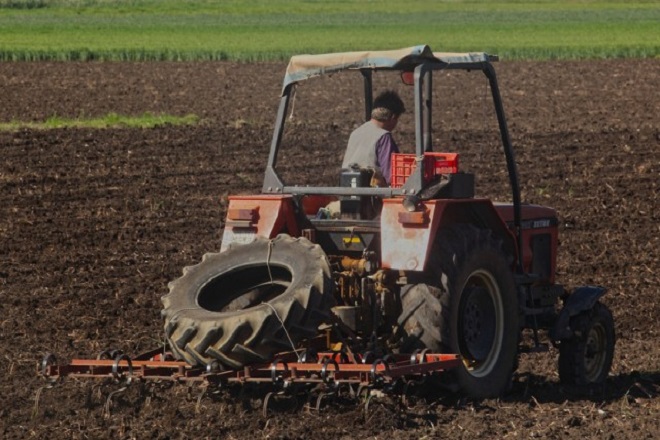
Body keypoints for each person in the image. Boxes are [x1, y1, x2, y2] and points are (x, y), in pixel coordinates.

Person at [341, 90, 405, 187]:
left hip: (348, 189)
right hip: (371, 195)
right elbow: (391, 176)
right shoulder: (383, 137)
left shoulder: (356, 132)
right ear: (393, 117)